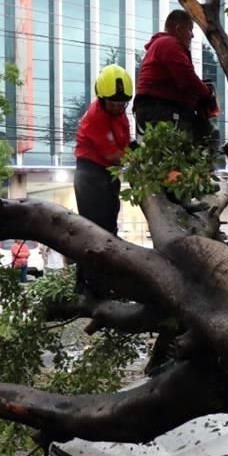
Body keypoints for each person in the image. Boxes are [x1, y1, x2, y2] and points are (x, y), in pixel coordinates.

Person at [74, 64, 133, 294]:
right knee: (92, 229)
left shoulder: (121, 115)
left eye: (122, 103)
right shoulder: (95, 117)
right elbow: (114, 154)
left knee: (109, 228)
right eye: (114, 102)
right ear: (102, 98)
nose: (118, 107)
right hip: (90, 174)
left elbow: (125, 147)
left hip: (109, 173)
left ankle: (106, 282)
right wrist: (138, 162)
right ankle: (89, 286)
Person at [133, 10, 219, 150]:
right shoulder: (169, 44)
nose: (192, 35)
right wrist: (208, 93)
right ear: (179, 29)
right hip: (163, 111)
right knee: (197, 142)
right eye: (190, 30)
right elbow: (188, 79)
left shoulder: (159, 46)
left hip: (153, 110)